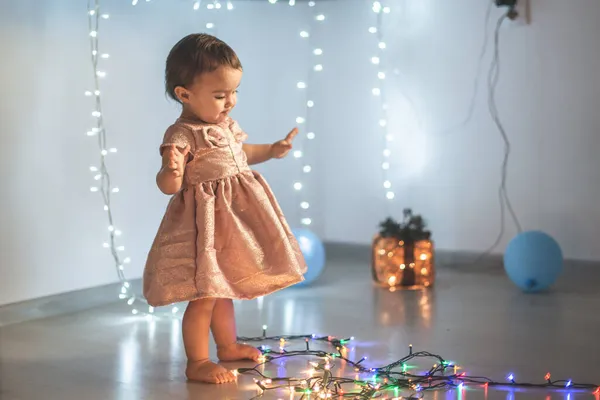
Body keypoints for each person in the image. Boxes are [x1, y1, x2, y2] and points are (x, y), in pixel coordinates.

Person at [143, 33, 307, 384]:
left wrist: (272, 150)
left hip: (233, 223)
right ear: (184, 94)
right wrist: (171, 171)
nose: (230, 101)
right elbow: (169, 186)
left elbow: (240, 155)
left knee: (225, 287)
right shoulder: (182, 135)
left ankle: (228, 345)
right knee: (205, 295)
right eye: (220, 95)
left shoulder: (225, 125)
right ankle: (197, 361)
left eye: (234, 92)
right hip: (204, 227)